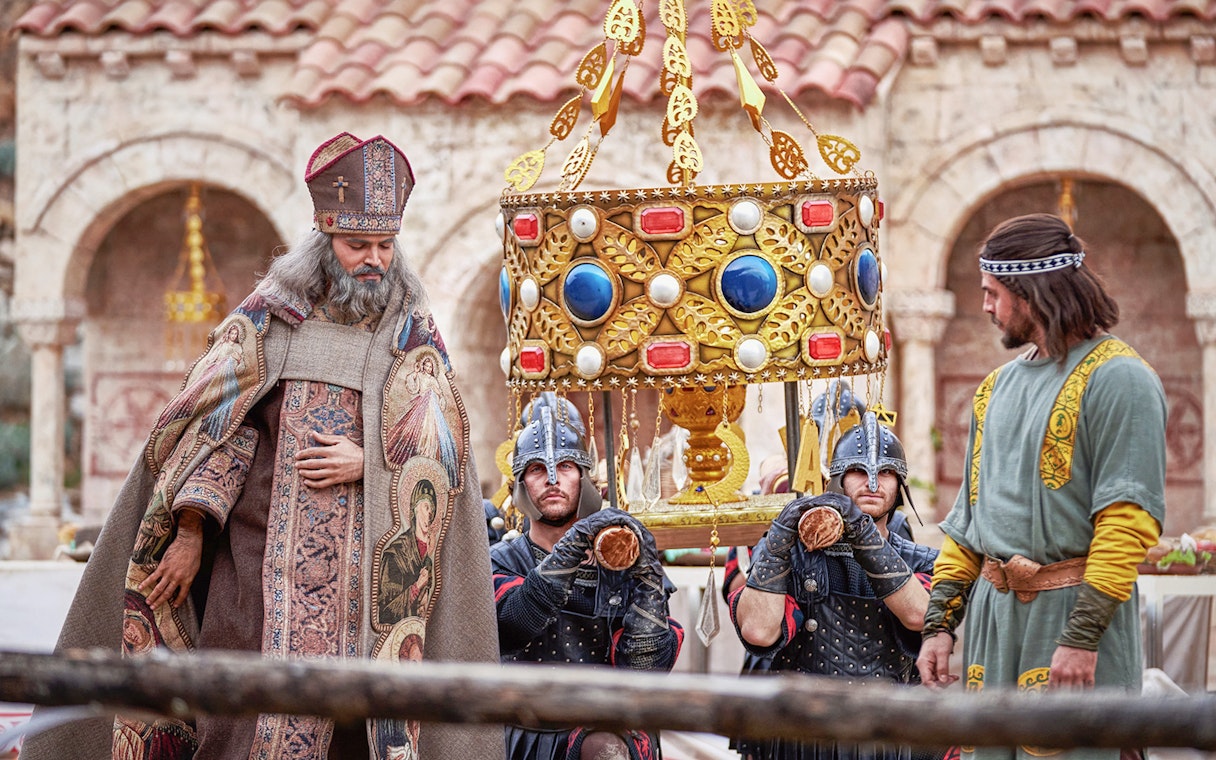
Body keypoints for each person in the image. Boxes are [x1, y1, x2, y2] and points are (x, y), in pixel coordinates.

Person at [22, 133, 503, 760]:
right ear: (325, 239)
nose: (375, 260)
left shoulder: (412, 335)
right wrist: (190, 531)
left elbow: (445, 449)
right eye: (358, 245)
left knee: (352, 732)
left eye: (386, 246)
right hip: (254, 575)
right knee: (238, 723)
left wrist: (373, 464)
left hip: (368, 593)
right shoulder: (268, 319)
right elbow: (211, 428)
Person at [916, 213, 1166, 760]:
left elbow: (1126, 523)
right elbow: (968, 527)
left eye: (993, 292)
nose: (985, 306)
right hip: (993, 627)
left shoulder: (1121, 378)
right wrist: (940, 627)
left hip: (1071, 623)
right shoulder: (994, 389)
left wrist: (1081, 638)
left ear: (1032, 293)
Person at [730, 411, 939, 760]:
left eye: (885, 472)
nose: (872, 483)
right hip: (802, 733)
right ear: (838, 478)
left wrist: (862, 532)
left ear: (900, 484)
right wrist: (778, 541)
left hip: (882, 733)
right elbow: (758, 632)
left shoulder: (922, 560)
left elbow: (920, 615)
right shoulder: (792, 556)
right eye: (858, 471)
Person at [491, 398, 684, 760]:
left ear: (584, 477)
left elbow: (646, 671)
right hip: (526, 733)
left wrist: (646, 575)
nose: (552, 479)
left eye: (565, 466)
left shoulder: (625, 563)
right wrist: (574, 544)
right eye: (536, 469)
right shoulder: (502, 561)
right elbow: (514, 625)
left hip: (609, 731)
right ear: (520, 483)